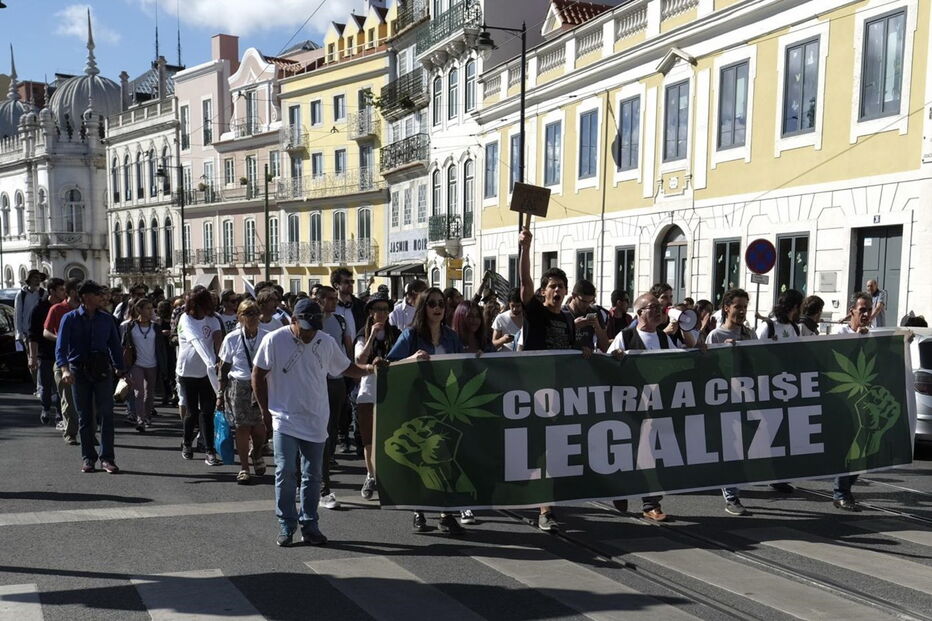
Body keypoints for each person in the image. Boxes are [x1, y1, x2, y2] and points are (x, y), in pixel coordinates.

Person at [252, 298, 384, 547]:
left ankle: (310, 524)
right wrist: (265, 411)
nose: (310, 333)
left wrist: (370, 368)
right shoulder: (274, 340)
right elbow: (257, 373)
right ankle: (287, 525)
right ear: (293, 320)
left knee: (313, 476)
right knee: (285, 473)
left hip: (315, 418)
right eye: (305, 327)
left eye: (314, 327)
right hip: (285, 418)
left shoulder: (325, 341)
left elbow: (347, 368)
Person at [387, 287, 466, 536]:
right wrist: (411, 358)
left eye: (441, 303)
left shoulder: (451, 336)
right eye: (431, 303)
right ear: (423, 307)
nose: (437, 307)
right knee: (420, 458)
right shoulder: (410, 335)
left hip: (445, 404)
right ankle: (418, 511)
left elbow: (461, 365)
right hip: (417, 403)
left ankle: (446, 513)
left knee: (447, 458)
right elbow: (390, 365)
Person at [518, 227, 582, 532]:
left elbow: (568, 352)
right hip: (533, 391)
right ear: (544, 291)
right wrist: (525, 248)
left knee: (551, 450)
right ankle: (543, 507)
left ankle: (545, 505)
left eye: (561, 286)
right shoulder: (535, 313)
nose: (557, 290)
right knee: (537, 450)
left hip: (558, 393)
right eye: (552, 285)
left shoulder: (567, 318)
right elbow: (525, 282)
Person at [607, 293, 676, 522]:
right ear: (639, 313)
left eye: (660, 308)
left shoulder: (665, 339)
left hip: (656, 407)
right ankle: (621, 488)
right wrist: (615, 359)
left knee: (652, 453)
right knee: (628, 451)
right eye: (653, 307)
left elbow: (681, 361)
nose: (659, 311)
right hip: (630, 407)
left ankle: (651, 503)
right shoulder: (625, 337)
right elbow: (607, 366)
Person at [55, 280, 127, 474]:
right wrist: (65, 370)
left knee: (107, 415)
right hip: (79, 371)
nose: (102, 298)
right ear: (86, 297)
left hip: (102, 371)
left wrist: (121, 370)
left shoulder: (107, 319)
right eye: (98, 294)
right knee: (85, 417)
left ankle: (107, 459)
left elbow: (114, 346)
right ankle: (88, 458)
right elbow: (60, 347)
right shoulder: (69, 319)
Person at [705, 288, 758, 515]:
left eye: (745, 307)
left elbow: (757, 364)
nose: (742, 311)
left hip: (745, 400)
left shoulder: (750, 334)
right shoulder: (715, 336)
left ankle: (729, 486)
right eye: (738, 307)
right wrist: (724, 354)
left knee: (743, 448)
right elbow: (708, 369)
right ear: (727, 308)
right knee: (731, 448)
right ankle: (731, 495)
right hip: (724, 400)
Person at [217, 299, 271, 485]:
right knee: (242, 427)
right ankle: (244, 468)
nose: (253, 317)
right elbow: (224, 367)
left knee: (260, 427)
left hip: (262, 385)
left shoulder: (268, 336)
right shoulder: (231, 338)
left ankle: (256, 452)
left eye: (255, 313)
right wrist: (219, 393)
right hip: (239, 386)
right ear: (239, 317)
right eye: (248, 313)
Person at [354, 292, 400, 500]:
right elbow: (359, 359)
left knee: (389, 436)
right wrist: (372, 336)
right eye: (377, 309)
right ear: (370, 313)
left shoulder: (396, 333)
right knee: (369, 438)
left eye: (385, 309)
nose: (382, 313)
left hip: (391, 391)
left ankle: (389, 477)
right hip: (368, 391)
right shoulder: (362, 334)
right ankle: (370, 475)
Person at [832, 292, 875, 511]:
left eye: (869, 309)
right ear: (852, 312)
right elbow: (842, 360)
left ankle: (845, 488)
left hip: (865, 400)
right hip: (844, 401)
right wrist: (859, 337)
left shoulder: (872, 334)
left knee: (863, 449)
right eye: (862, 310)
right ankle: (842, 492)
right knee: (850, 446)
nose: (867, 314)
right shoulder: (840, 332)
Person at [314, 285, 355, 510]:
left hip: (336, 381)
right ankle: (321, 486)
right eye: (329, 299)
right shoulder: (310, 321)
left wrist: (352, 375)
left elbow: (347, 350)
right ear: (318, 300)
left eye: (334, 299)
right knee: (318, 434)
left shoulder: (339, 320)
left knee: (329, 433)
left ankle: (321, 479)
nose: (333, 302)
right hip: (315, 383)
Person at [176, 288, 224, 465]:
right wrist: (211, 361)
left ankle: (210, 451)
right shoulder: (185, 319)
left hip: (206, 374)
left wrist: (219, 361)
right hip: (187, 372)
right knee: (192, 412)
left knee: (207, 412)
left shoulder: (214, 319)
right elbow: (195, 341)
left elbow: (218, 341)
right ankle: (187, 443)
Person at [122, 298, 169, 432]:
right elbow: (124, 346)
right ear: (139, 310)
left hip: (153, 363)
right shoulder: (130, 326)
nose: (151, 311)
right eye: (147, 308)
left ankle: (147, 416)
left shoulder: (155, 327)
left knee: (149, 393)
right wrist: (123, 367)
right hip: (137, 363)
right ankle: (140, 420)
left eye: (151, 308)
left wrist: (164, 366)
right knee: (139, 392)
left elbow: (161, 348)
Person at [44, 277, 82, 445]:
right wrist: (60, 338)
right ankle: (71, 433)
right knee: (68, 400)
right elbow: (45, 332)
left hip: (83, 361)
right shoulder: (57, 309)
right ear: (72, 291)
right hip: (63, 361)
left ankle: (89, 433)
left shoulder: (86, 310)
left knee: (88, 402)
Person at [29, 277, 65, 425]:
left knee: (60, 386)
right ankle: (45, 408)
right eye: (61, 289)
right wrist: (32, 357)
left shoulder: (64, 308)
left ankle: (59, 412)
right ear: (52, 291)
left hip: (61, 353)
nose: (64, 292)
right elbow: (33, 335)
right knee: (45, 385)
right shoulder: (39, 309)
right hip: (45, 353)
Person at [14, 270, 47, 384]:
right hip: (27, 332)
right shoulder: (21, 294)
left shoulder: (43, 294)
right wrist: (18, 334)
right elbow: (18, 314)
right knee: (32, 359)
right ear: (29, 280)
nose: (37, 280)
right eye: (34, 278)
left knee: (42, 359)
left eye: (39, 278)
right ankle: (37, 385)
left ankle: (42, 384)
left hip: (41, 331)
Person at [564, 280, 609, 353]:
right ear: (574, 296)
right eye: (583, 301)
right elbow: (557, 344)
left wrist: (597, 326)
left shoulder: (594, 312)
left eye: (590, 301)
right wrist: (573, 326)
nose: (586, 305)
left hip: (588, 362)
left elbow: (605, 348)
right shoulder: (563, 313)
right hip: (568, 361)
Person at [332, 268, 365, 339]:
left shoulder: (361, 305)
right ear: (336, 285)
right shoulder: (330, 307)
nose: (350, 284)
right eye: (346, 282)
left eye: (352, 281)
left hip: (357, 348)